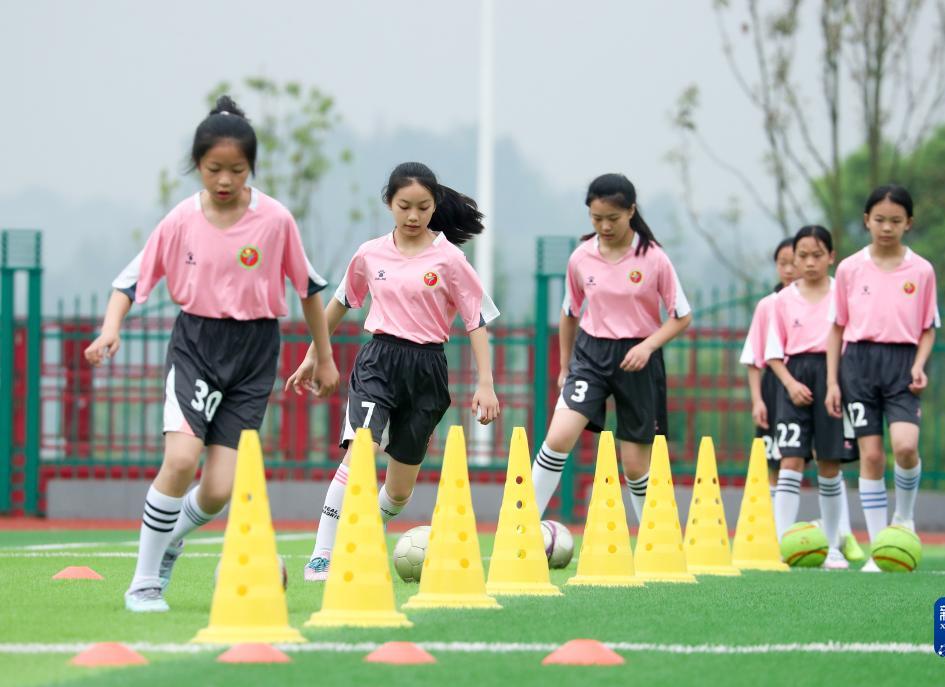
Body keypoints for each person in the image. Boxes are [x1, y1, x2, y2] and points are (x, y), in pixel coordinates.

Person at [84, 96, 340, 612]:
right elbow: (131, 282)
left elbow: (309, 289)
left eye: (236, 170)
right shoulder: (181, 220)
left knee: (220, 489)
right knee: (180, 460)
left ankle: (170, 537)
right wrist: (110, 328)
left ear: (252, 169)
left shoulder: (275, 220)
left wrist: (324, 355)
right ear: (197, 165)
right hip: (198, 345)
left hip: (254, 351)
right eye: (213, 169)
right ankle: (145, 581)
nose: (224, 180)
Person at [289, 161, 501, 581]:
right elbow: (340, 304)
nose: (413, 215)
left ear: (434, 206)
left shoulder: (451, 260)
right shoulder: (369, 254)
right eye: (404, 205)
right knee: (360, 452)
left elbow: (476, 321)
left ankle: (368, 534)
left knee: (400, 489)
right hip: (379, 361)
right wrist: (314, 353)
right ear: (389, 203)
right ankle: (323, 555)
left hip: (427, 370)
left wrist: (486, 384)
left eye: (423, 207)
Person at [530, 173, 692, 523]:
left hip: (639, 359)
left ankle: (653, 541)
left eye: (612, 219)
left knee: (634, 466)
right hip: (591, 356)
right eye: (596, 218)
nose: (604, 226)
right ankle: (520, 524)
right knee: (558, 437)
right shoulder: (581, 258)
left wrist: (648, 347)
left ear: (631, 211)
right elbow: (570, 313)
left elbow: (681, 316)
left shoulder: (654, 258)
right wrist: (565, 366)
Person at [825, 185, 939, 572]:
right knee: (871, 456)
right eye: (879, 220)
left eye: (895, 220)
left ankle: (904, 519)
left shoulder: (921, 270)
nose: (886, 227)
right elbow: (837, 327)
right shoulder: (849, 269)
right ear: (866, 221)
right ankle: (879, 548)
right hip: (857, 365)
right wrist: (832, 382)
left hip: (902, 364)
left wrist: (920, 364)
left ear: (909, 223)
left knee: (905, 447)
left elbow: (928, 328)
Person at [764, 226, 857, 569]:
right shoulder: (782, 300)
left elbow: (851, 339)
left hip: (834, 379)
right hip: (795, 380)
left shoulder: (841, 295)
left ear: (831, 257)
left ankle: (833, 545)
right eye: (802, 255)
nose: (809, 262)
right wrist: (789, 384)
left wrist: (836, 383)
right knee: (790, 462)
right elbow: (773, 353)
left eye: (817, 255)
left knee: (829, 465)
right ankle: (781, 546)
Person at [739, 237, 796, 496]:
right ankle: (774, 523)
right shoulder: (767, 305)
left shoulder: (822, 300)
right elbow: (754, 358)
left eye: (794, 262)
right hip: (774, 388)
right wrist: (757, 400)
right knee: (773, 456)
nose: (789, 269)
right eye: (782, 263)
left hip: (808, 381)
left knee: (821, 455)